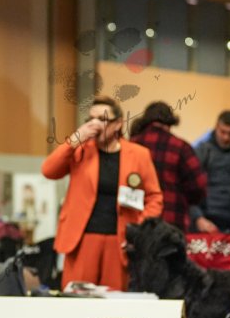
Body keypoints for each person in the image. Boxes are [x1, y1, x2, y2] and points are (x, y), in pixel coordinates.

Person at [41, 95, 163, 291]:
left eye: (102, 119)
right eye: (91, 119)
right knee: (76, 298)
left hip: (119, 240)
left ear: (118, 124)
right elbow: (49, 170)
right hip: (82, 239)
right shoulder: (80, 150)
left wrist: (139, 228)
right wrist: (75, 139)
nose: (95, 125)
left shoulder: (139, 155)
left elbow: (154, 198)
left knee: (113, 301)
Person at [128, 101, 207, 233]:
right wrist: (188, 201)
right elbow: (199, 185)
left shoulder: (131, 145)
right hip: (172, 223)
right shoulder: (181, 147)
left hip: (138, 222)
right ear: (170, 123)